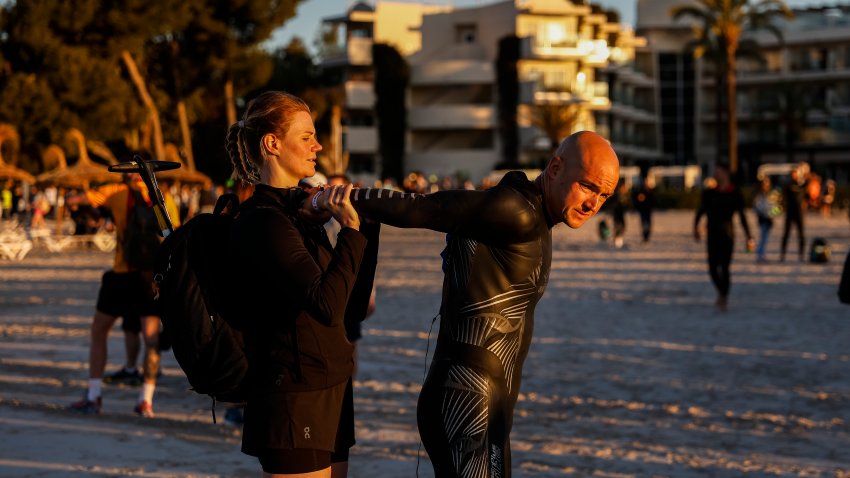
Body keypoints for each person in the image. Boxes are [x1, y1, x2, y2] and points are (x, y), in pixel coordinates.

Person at [313, 130, 619, 478]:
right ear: (555, 168)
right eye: (589, 187)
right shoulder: (515, 210)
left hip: (489, 406)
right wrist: (325, 198)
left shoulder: (533, 214)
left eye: (605, 195)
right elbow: (422, 209)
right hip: (465, 401)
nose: (594, 203)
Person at [226, 91, 378, 478]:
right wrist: (350, 233)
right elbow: (324, 305)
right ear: (272, 144)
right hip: (292, 394)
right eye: (307, 136)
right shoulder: (263, 220)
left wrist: (367, 228)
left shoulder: (300, 214)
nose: (319, 145)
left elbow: (349, 308)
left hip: (332, 386)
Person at [69, 170, 179, 417]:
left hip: (121, 273)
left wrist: (74, 200)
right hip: (150, 277)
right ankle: (145, 401)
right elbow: (174, 236)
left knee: (99, 331)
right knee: (151, 339)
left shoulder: (118, 192)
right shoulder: (165, 198)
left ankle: (94, 396)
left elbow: (83, 200)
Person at [693, 165, 753, 312]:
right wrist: (695, 227)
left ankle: (724, 296)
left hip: (728, 234)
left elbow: (742, 216)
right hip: (712, 234)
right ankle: (721, 292)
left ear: (726, 174)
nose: (715, 174)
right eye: (715, 172)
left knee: (725, 267)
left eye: (718, 172)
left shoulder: (735, 193)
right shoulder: (709, 193)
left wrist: (749, 236)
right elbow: (701, 211)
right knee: (712, 267)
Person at [780, 167, 806, 262]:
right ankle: (782, 254)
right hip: (789, 213)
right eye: (792, 174)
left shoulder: (801, 185)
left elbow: (808, 184)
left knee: (801, 234)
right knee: (786, 234)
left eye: (795, 174)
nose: (793, 176)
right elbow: (783, 198)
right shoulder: (787, 185)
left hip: (799, 213)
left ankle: (801, 254)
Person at [752, 177, 779, 263]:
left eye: (767, 183)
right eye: (764, 183)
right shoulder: (759, 195)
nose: (766, 185)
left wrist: (773, 213)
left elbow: (776, 207)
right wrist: (763, 213)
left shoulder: (772, 195)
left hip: (769, 220)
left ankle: (762, 254)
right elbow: (756, 208)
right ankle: (760, 255)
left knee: (766, 238)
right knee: (763, 237)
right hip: (763, 219)